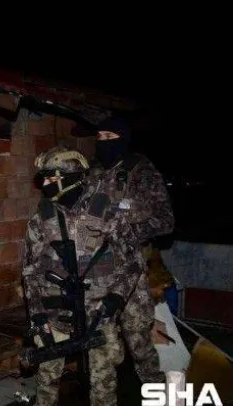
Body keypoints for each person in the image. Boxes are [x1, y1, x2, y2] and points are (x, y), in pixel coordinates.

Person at [22, 146, 141, 406]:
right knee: (47, 382)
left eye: (51, 177)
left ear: (72, 176)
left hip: (99, 313)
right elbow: (30, 271)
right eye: (43, 178)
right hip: (56, 314)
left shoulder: (107, 213)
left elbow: (133, 262)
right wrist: (38, 315)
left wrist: (116, 298)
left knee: (103, 384)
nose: (45, 183)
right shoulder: (41, 219)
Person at [89, 117, 175, 384]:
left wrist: (127, 234)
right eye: (99, 137)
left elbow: (165, 221)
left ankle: (155, 389)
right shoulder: (93, 171)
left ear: (123, 139)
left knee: (138, 336)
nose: (103, 142)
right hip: (97, 267)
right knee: (100, 338)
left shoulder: (140, 170)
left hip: (131, 267)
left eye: (109, 137)